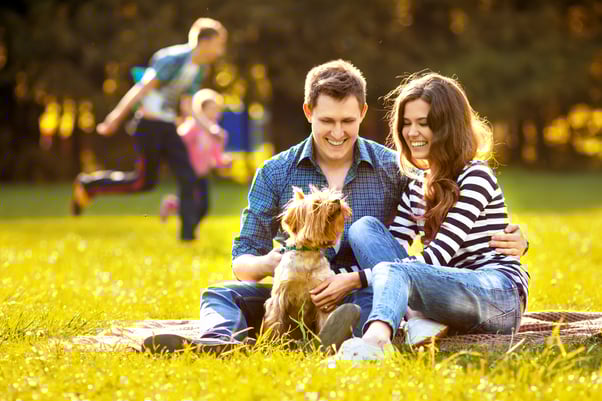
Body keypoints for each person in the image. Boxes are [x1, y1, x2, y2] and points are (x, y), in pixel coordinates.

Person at [142, 61, 528, 353]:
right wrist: (272, 264)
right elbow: (242, 259)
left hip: (360, 290)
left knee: (364, 261)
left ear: (362, 113)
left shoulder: (394, 168)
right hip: (293, 288)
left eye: (348, 120)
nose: (338, 132)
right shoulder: (276, 172)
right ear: (308, 112)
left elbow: (436, 228)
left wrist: (517, 239)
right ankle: (218, 343)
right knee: (220, 293)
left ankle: (353, 334)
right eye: (327, 121)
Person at [336, 72, 531, 360]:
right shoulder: (416, 185)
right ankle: (418, 317)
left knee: (394, 271)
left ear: (448, 127)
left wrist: (355, 280)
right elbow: (394, 250)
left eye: (423, 124)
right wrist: (329, 278)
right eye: (406, 123)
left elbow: (438, 256)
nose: (411, 132)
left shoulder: (476, 176)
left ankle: (376, 341)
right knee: (364, 229)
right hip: (446, 292)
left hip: (497, 294)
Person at [70, 18, 228, 241]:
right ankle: (88, 186)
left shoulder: (199, 69)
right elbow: (142, 88)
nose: (220, 51)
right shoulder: (173, 59)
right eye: (219, 44)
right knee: (142, 183)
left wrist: (208, 127)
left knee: (188, 176)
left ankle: (188, 238)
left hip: (168, 126)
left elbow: (187, 106)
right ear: (205, 41)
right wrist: (116, 116)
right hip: (149, 126)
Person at [159, 88, 231, 223]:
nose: (215, 113)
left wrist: (224, 162)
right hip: (188, 171)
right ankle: (189, 232)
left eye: (217, 109)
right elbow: (178, 143)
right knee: (189, 203)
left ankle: (172, 205)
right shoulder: (192, 127)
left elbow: (216, 157)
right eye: (211, 109)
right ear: (201, 111)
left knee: (203, 207)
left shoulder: (216, 133)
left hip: (202, 174)